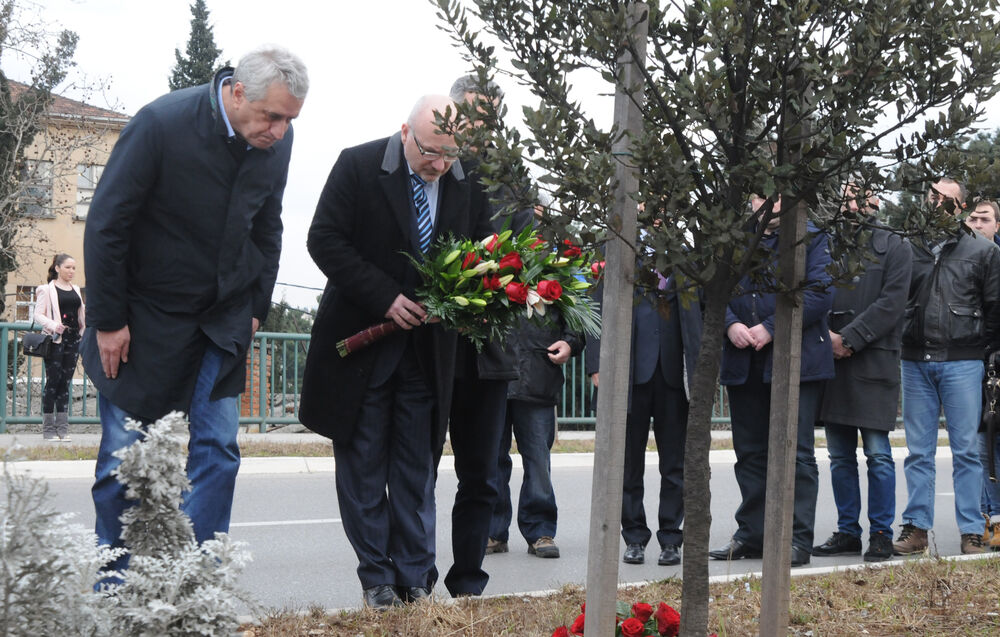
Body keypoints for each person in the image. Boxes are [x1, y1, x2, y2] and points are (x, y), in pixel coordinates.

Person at [81, 45, 308, 572]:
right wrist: (110, 321)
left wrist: (256, 306)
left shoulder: (279, 141)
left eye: (289, 120)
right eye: (270, 116)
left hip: (221, 318)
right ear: (235, 92)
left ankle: (195, 588)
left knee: (218, 450)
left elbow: (267, 225)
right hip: (144, 317)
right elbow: (107, 224)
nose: (278, 131)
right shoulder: (161, 124)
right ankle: (117, 593)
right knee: (126, 460)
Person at [298, 94, 492, 610]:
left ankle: (414, 580)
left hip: (429, 355)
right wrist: (385, 297)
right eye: (430, 152)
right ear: (404, 132)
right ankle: (377, 580)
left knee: (415, 471)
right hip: (361, 351)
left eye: (450, 155)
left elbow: (482, 248)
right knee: (362, 471)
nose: (440, 165)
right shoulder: (357, 165)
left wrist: (457, 296)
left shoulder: (464, 178)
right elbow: (324, 240)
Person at [710, 193, 833, 568]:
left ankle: (796, 538)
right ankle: (753, 533)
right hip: (743, 361)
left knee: (796, 453)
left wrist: (770, 328)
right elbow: (713, 288)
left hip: (796, 361)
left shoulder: (812, 237)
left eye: (778, 195)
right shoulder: (734, 238)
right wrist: (730, 323)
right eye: (761, 194)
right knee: (750, 452)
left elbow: (819, 293)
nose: (770, 202)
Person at [440, 75, 525, 596]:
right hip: (431, 345)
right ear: (451, 113)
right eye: (470, 113)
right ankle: (411, 575)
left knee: (482, 474)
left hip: (490, 348)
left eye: (488, 116)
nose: (480, 125)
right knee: (416, 470)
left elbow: (525, 247)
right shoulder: (432, 162)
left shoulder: (511, 175)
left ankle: (468, 579)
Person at [894, 178, 1000, 556]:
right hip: (915, 359)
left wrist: (982, 352)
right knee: (918, 452)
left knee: (967, 451)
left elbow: (994, 309)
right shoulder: (908, 245)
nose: (938, 203)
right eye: (932, 197)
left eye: (946, 198)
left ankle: (972, 530)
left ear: (961, 206)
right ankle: (917, 528)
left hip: (963, 361)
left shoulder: (983, 251)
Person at [812, 183, 911, 563]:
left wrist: (850, 338)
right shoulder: (827, 242)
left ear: (876, 199)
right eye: (845, 193)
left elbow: (893, 303)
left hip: (873, 358)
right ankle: (848, 532)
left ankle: (882, 533)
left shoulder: (896, 243)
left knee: (878, 455)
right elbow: (813, 292)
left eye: (858, 193)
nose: (850, 201)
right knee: (839, 456)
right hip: (831, 359)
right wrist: (828, 340)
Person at [586, 257, 702, 567]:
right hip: (629, 374)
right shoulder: (618, 253)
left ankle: (670, 538)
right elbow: (595, 310)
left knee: (675, 465)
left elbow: (700, 316)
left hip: (673, 376)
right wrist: (596, 364)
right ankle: (634, 537)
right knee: (627, 463)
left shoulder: (685, 258)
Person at [969, 199, 1000, 548]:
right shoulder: (960, 260)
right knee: (980, 445)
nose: (978, 223)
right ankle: (987, 518)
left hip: (993, 364)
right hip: (971, 364)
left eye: (985, 218)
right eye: (973, 218)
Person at [34, 253, 85, 441]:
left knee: (65, 384)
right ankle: (48, 430)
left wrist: (84, 333)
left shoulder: (76, 289)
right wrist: (54, 325)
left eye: (73, 268)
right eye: (68, 267)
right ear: (57, 268)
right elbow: (37, 315)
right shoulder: (46, 290)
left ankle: (63, 429)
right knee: (53, 383)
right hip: (55, 340)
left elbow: (81, 316)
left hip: (73, 340)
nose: (71, 271)